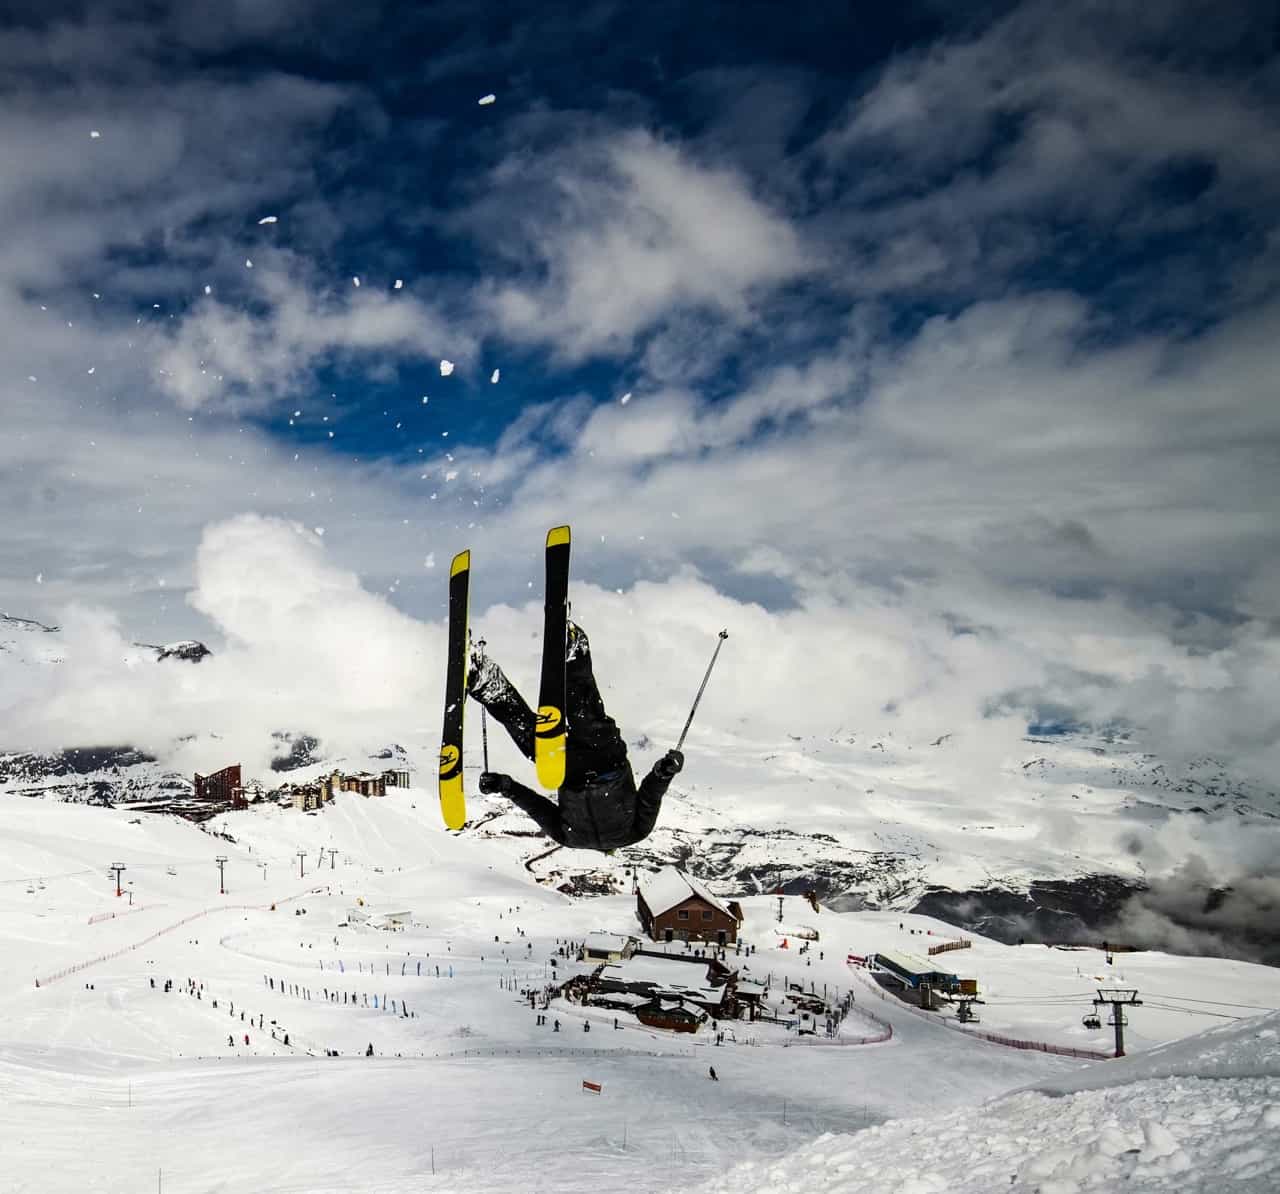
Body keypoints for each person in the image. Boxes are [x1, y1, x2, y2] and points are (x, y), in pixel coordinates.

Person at [468, 622, 683, 850]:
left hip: (573, 768)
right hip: (605, 760)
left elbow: (537, 808)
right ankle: (573, 654)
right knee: (582, 717)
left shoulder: (572, 839)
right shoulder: (630, 834)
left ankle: (486, 682)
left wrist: (504, 786)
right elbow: (651, 795)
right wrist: (664, 772)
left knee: (555, 732)